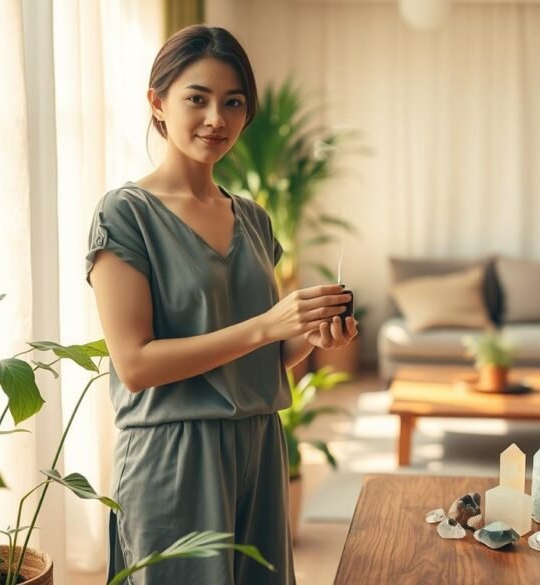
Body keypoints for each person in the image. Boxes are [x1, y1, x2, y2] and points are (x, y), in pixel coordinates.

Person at [85, 25, 357, 584]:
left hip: (258, 448)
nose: (217, 118)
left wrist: (310, 334)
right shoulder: (125, 214)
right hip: (174, 458)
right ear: (157, 104)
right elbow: (135, 366)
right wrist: (265, 327)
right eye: (197, 98)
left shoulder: (253, 217)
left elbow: (266, 355)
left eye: (233, 102)